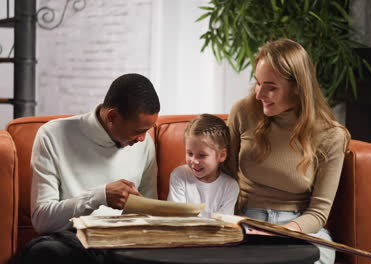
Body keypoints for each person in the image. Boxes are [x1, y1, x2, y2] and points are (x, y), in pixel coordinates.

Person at [228, 39, 350, 264]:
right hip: (247, 220)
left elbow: (319, 213)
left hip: (299, 227)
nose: (259, 94)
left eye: (271, 87)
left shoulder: (331, 135)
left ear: (297, 88)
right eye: (258, 83)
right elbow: (223, 175)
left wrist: (284, 231)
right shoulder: (243, 112)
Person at [19, 73, 160, 264]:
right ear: (112, 116)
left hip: (127, 242)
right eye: (138, 131)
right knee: (44, 253)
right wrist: (100, 196)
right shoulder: (51, 135)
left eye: (147, 130)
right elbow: (42, 220)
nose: (143, 138)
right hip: (74, 240)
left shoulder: (144, 144)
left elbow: (151, 212)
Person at [167, 114, 240, 218]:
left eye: (202, 155)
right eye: (190, 153)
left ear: (222, 155)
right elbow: (176, 216)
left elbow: (224, 223)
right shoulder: (179, 175)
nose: (194, 161)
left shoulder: (230, 186)